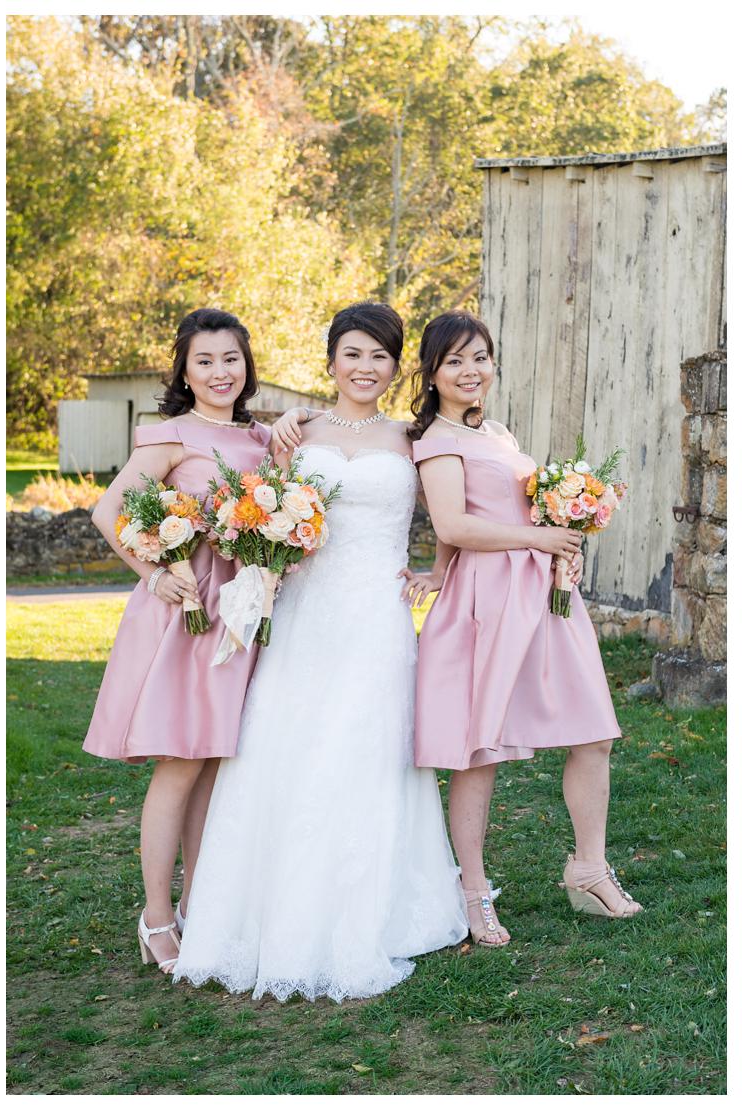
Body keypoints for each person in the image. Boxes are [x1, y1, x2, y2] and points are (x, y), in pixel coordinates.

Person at [170, 301, 467, 1001]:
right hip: (306, 614)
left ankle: (378, 909)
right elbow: (266, 511)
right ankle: (268, 909)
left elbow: (453, 506)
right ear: (331, 359)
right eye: (354, 353)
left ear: (396, 367)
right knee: (288, 746)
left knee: (368, 750)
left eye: (381, 356)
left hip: (376, 618)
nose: (366, 368)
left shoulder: (412, 436)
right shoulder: (294, 433)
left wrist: (440, 570)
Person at [409, 310, 637, 945]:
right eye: (454, 360)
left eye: (479, 356)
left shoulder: (501, 435)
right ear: (431, 373)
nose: (470, 370)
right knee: (478, 751)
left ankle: (589, 869)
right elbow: (453, 523)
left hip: (544, 593)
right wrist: (537, 536)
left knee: (593, 730)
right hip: (485, 603)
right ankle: (474, 891)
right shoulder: (434, 441)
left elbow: (489, 514)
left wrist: (564, 539)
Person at [78, 307, 272, 972]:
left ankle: (199, 904)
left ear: (247, 366)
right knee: (182, 761)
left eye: (231, 360)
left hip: (245, 611)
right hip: (193, 609)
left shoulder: (265, 438)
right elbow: (110, 512)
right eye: (205, 361)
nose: (221, 372)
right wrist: (155, 572)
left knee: (218, 762)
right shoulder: (171, 436)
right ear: (184, 372)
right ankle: (156, 915)